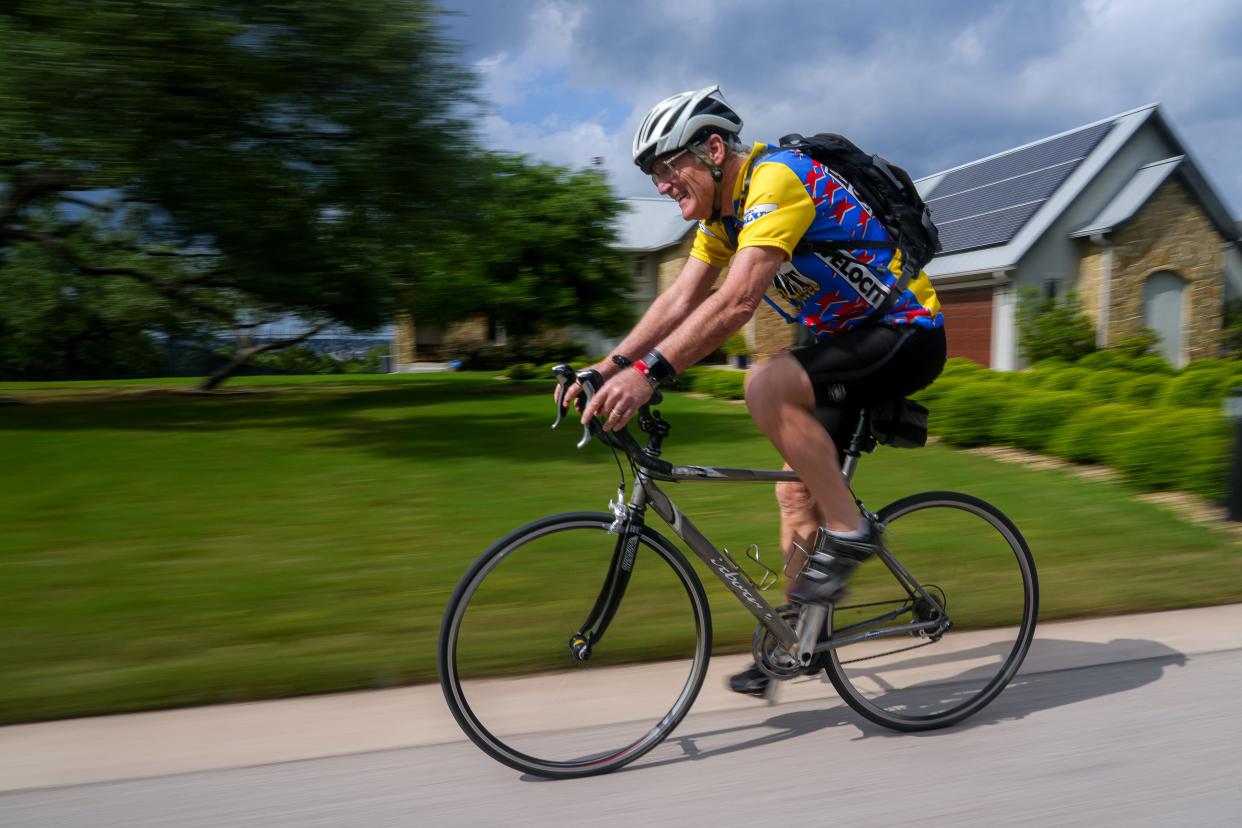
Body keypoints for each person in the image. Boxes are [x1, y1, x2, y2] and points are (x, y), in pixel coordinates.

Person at [566, 85, 946, 696]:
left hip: (905, 333)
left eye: (670, 168)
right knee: (796, 494)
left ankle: (852, 533)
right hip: (844, 346)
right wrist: (606, 368)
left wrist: (647, 376)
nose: (663, 185)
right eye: (655, 175)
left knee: (765, 383)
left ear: (714, 149)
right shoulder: (724, 216)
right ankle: (799, 639)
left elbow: (737, 302)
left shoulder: (776, 180)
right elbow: (678, 299)